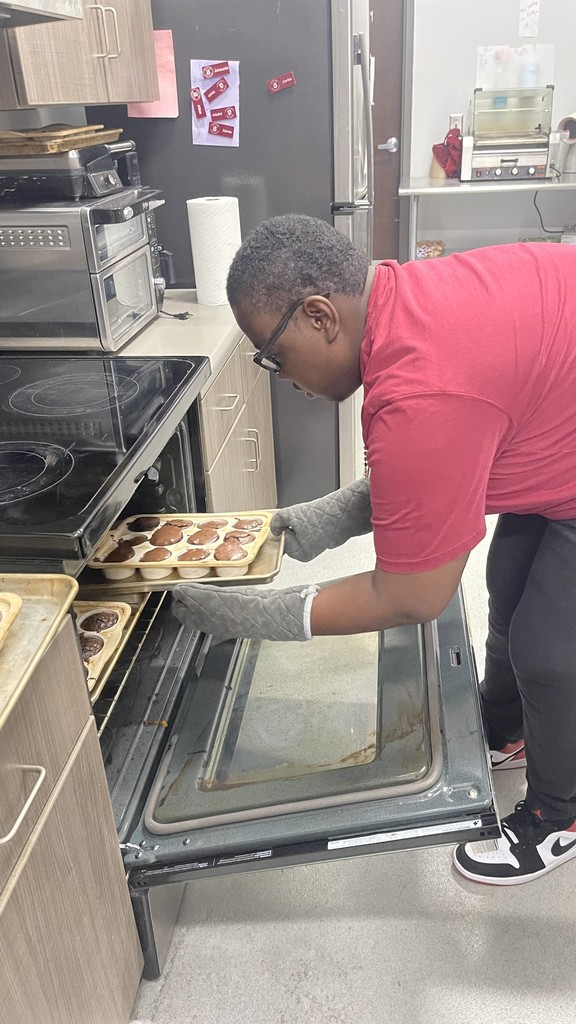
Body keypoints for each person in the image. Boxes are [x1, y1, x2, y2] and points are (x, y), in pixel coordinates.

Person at [174, 213, 576, 886]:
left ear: (319, 315)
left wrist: (247, 617)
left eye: (271, 354)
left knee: (550, 650)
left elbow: (412, 596)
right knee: (509, 580)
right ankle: (507, 728)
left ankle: (559, 815)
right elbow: (428, 471)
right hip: (560, 422)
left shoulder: (422, 388)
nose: (278, 373)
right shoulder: (403, 303)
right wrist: (303, 527)